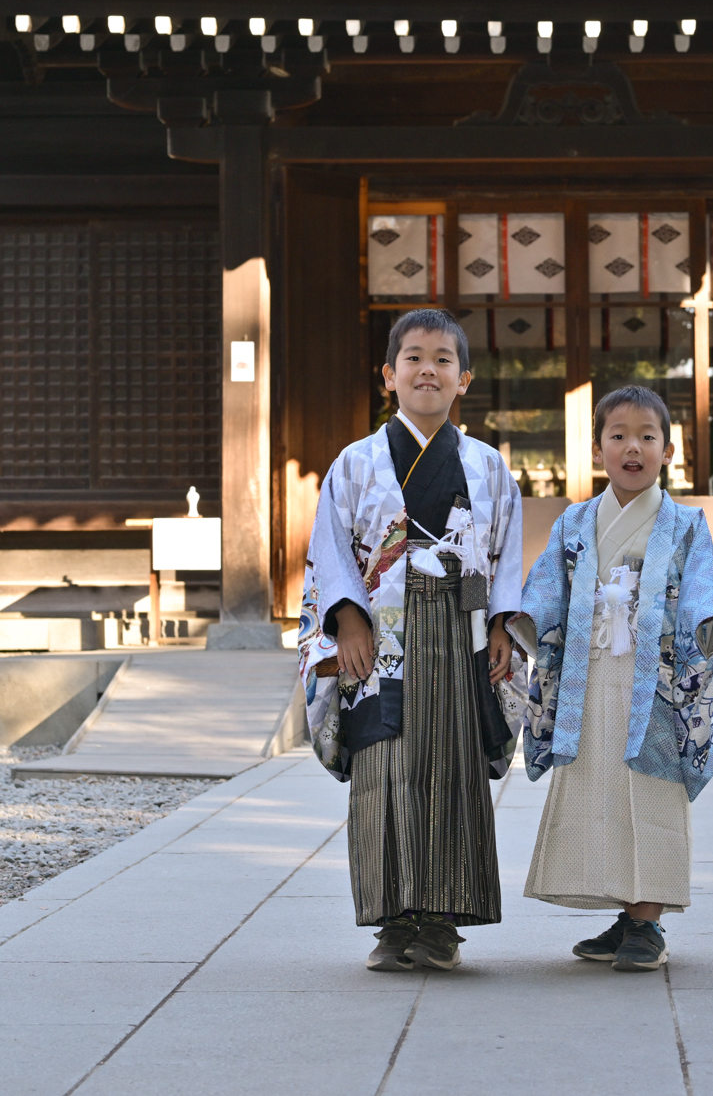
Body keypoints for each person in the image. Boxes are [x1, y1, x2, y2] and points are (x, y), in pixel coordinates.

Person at [297, 308, 525, 973]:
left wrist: (500, 624)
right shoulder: (354, 463)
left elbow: (502, 556)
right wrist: (346, 619)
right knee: (384, 766)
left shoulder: (488, 467)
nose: (429, 369)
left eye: (443, 359)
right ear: (388, 375)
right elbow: (330, 549)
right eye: (414, 358)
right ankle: (393, 918)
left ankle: (442, 921)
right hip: (380, 631)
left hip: (459, 629)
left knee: (451, 766)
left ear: (464, 379)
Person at [513, 385, 713, 971]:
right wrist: (522, 626)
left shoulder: (686, 524)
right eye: (618, 436)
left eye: (647, 436)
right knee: (597, 791)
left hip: (656, 683)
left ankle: (648, 921)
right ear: (598, 451)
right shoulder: (574, 521)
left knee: (651, 793)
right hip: (588, 677)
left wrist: (705, 632)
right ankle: (626, 912)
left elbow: (703, 591)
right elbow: (546, 590)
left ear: (669, 451)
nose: (633, 448)